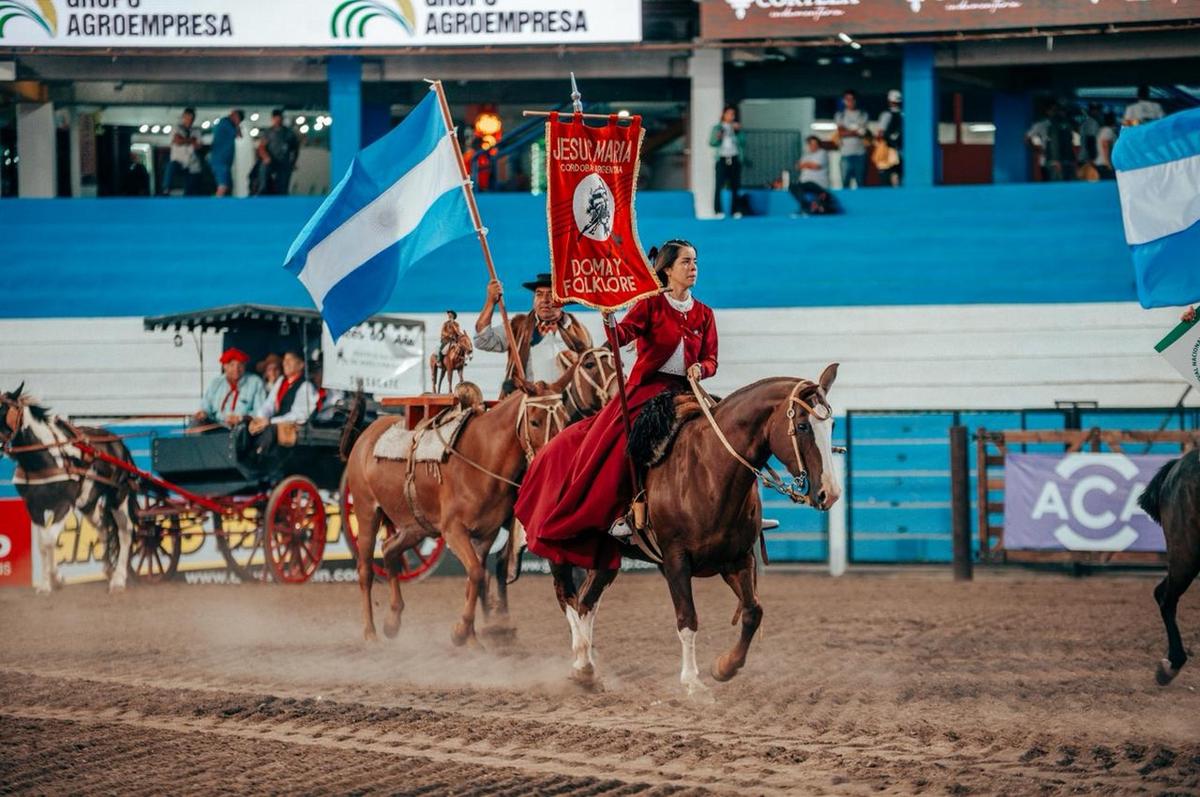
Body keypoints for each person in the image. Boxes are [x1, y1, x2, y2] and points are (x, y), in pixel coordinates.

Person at [514, 240, 718, 569]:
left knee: (726, 432)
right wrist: (610, 320)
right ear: (668, 269)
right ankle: (625, 511)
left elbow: (711, 359)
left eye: (695, 261)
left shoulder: (704, 313)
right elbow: (620, 337)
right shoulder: (650, 305)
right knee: (622, 442)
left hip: (687, 390)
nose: (693, 268)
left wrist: (701, 369)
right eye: (686, 262)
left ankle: (732, 512)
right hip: (647, 391)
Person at [474, 272, 592, 395]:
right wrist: (491, 301)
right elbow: (482, 340)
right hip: (528, 402)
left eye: (551, 295)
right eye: (539, 294)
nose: (545, 300)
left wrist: (577, 360)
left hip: (566, 403)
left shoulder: (580, 331)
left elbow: (593, 370)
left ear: (563, 301)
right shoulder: (518, 326)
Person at [194, 347, 267, 427]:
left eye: (240, 364)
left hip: (243, 427)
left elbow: (260, 411)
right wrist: (203, 412)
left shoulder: (255, 382)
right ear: (224, 366)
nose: (236, 369)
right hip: (215, 426)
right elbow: (206, 404)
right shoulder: (216, 382)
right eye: (232, 365)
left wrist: (241, 418)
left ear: (244, 366)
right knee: (194, 424)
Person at [709, 105, 745, 218]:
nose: (731, 116)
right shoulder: (717, 127)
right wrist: (719, 136)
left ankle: (735, 210)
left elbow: (743, 142)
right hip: (722, 158)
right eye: (729, 113)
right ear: (724, 114)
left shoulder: (736, 128)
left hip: (734, 158)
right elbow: (712, 142)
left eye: (733, 114)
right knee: (719, 185)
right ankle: (718, 210)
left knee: (735, 185)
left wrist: (738, 132)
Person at [1025, 101, 1075, 182]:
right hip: (1049, 159)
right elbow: (1027, 138)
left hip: (1064, 160)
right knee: (1052, 183)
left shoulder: (1064, 124)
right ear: (1047, 111)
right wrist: (1037, 149)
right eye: (1053, 110)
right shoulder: (1042, 124)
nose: (1056, 112)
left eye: (1057, 110)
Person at [789, 136, 838, 216]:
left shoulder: (822, 153)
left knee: (808, 184)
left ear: (818, 145)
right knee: (792, 186)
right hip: (804, 184)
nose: (813, 146)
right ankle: (806, 207)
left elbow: (816, 166)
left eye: (815, 144)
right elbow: (797, 167)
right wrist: (807, 164)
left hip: (818, 184)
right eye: (811, 144)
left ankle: (812, 208)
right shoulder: (806, 155)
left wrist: (804, 164)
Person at [257, 109, 299, 196]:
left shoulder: (289, 133)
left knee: (282, 187)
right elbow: (261, 147)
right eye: (276, 119)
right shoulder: (268, 132)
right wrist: (266, 157)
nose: (277, 121)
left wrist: (293, 162)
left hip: (283, 162)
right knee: (263, 170)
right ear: (273, 119)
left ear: (282, 119)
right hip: (271, 161)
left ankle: (282, 197)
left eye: (279, 119)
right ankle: (262, 191)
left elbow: (295, 149)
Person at [161, 107, 201, 196]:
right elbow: (177, 141)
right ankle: (166, 189)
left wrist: (183, 139)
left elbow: (197, 146)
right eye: (187, 118)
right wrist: (191, 140)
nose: (189, 121)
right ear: (183, 117)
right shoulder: (176, 129)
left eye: (191, 119)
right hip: (178, 161)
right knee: (171, 166)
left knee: (192, 187)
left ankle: (189, 198)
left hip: (191, 163)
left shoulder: (196, 131)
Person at [835, 90, 868, 189]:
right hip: (845, 154)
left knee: (861, 183)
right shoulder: (840, 115)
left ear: (856, 100)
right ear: (844, 101)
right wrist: (855, 131)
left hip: (860, 154)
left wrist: (847, 131)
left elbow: (862, 132)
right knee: (845, 184)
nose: (850, 101)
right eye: (847, 99)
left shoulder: (863, 114)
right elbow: (840, 132)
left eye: (852, 99)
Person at [209, 108, 244, 197]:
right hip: (220, 161)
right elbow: (239, 135)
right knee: (223, 186)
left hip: (224, 162)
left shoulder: (226, 124)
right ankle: (215, 205)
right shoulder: (225, 123)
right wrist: (237, 123)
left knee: (228, 187)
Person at [876, 89, 903, 187]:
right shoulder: (904, 114)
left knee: (886, 179)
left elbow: (880, 134)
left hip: (889, 152)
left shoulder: (886, 115)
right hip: (901, 151)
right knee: (899, 178)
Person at [1094, 112, 1118, 180]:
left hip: (1103, 163)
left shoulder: (1103, 130)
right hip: (1104, 164)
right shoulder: (1107, 130)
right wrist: (1107, 163)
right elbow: (1105, 145)